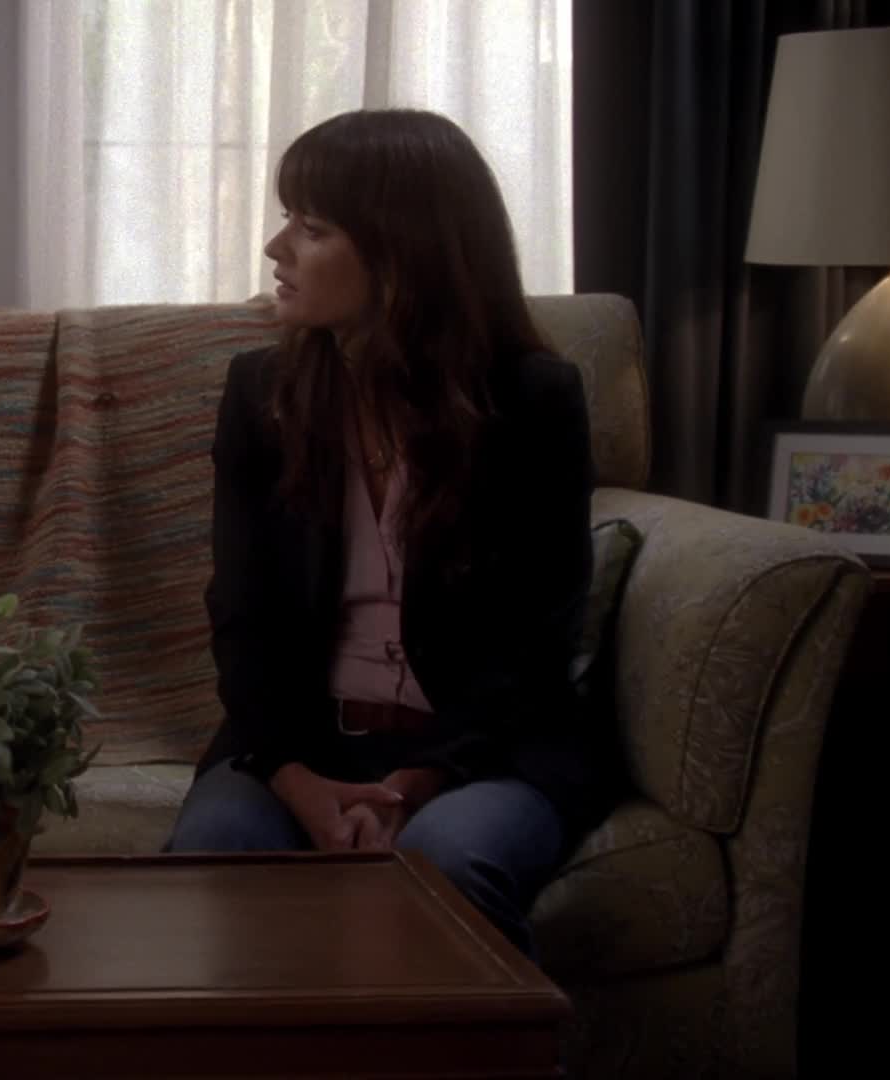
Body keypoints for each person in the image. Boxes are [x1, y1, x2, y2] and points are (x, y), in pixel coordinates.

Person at [165, 109, 619, 959]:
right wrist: (296, 781)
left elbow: (534, 639)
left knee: (445, 860)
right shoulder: (260, 395)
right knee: (217, 850)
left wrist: (421, 781)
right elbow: (242, 617)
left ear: (403, 253)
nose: (275, 248)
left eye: (312, 228)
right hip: (300, 744)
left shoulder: (533, 402)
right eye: (288, 220)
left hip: (488, 749)